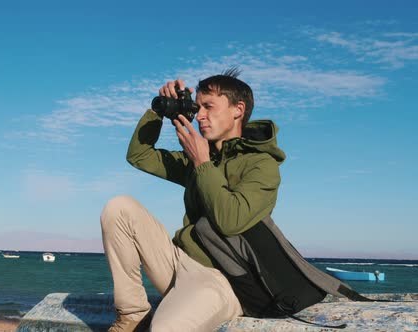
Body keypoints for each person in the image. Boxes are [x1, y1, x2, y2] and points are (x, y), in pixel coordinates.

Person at [100, 68, 288, 332]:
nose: (200, 115)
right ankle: (133, 315)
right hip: (179, 263)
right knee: (119, 208)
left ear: (238, 109)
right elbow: (139, 156)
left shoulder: (262, 165)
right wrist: (159, 112)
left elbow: (231, 221)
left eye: (208, 107)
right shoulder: (199, 157)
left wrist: (201, 162)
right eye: (197, 107)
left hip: (223, 279)